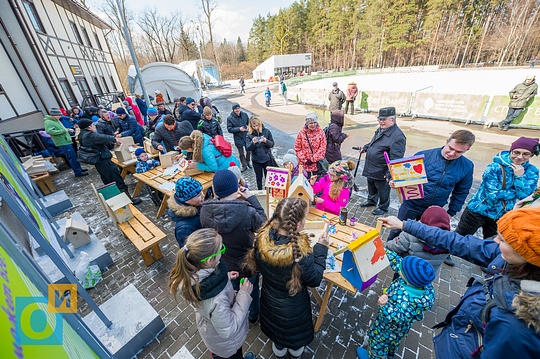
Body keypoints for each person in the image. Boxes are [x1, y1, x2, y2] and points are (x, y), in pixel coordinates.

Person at [378, 207, 540, 358]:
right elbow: (455, 241)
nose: (494, 241)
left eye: (503, 240)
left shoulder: (517, 324)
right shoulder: (510, 259)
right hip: (459, 340)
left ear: (525, 253)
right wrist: (404, 225)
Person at [244, 197, 329, 359]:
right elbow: (314, 279)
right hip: (295, 307)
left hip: (270, 299)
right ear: (297, 225)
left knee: (277, 330)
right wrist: (321, 249)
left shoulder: (262, 240)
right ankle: (295, 351)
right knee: (294, 336)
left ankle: (279, 348)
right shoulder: (300, 254)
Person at [386, 129, 475, 257]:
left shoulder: (467, 166)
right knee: (397, 229)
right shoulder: (424, 156)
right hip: (411, 204)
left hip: (434, 210)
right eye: (450, 148)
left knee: (426, 238)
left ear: (467, 149)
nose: (451, 153)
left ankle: (413, 257)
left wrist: (450, 213)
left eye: (458, 152)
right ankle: (389, 250)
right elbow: (403, 177)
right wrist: (396, 183)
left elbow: (461, 192)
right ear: (446, 141)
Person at [168, 229, 255, 359]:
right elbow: (228, 330)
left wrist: (225, 277)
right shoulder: (216, 299)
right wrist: (244, 294)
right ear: (209, 261)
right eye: (221, 249)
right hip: (227, 345)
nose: (223, 252)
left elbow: (209, 284)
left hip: (215, 335)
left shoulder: (195, 272)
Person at [200, 169, 267, 325]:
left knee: (231, 287)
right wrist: (252, 199)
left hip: (224, 262)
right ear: (236, 187)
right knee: (251, 288)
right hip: (248, 262)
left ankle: (235, 312)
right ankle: (253, 315)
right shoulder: (248, 211)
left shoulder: (204, 211)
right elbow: (264, 227)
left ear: (215, 190)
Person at [357, 251, 435, 359]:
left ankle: (372, 356)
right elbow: (398, 263)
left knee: (378, 343)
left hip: (388, 328)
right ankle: (388, 354)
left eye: (402, 269)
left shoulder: (408, 302)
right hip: (398, 330)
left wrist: (384, 306)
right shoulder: (418, 282)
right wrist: (383, 250)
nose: (399, 267)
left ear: (408, 279)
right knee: (391, 343)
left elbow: (397, 318)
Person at [456, 137, 539, 239]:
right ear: (511, 151)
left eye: (525, 154)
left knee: (492, 245)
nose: (519, 157)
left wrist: (519, 177)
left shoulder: (532, 171)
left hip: (502, 215)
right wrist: (515, 191)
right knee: (459, 237)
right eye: (516, 152)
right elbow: (492, 195)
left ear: (531, 155)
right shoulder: (494, 167)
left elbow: (526, 196)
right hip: (478, 210)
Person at [77, 119, 141, 204]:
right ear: (89, 127)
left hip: (99, 162)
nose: (94, 126)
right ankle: (128, 201)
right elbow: (104, 137)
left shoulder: (81, 134)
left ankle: (119, 200)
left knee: (108, 182)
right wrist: (114, 139)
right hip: (104, 161)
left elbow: (100, 143)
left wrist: (111, 145)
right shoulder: (89, 135)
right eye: (93, 125)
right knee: (117, 181)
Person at [360, 107, 406, 216]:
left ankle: (383, 207)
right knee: (371, 185)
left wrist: (390, 174)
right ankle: (371, 201)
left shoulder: (398, 136)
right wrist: (366, 147)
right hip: (371, 166)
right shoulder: (381, 129)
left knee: (383, 190)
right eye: (379, 119)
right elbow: (374, 142)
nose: (381, 122)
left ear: (393, 120)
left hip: (382, 169)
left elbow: (396, 158)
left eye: (384, 119)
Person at [386, 205, 451, 274]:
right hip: (426, 276)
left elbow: (395, 246)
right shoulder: (449, 242)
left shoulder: (410, 235)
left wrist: (386, 245)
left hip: (407, 271)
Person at [44, 108, 88, 177]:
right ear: (54, 115)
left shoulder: (56, 120)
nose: (60, 116)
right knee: (71, 157)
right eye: (59, 115)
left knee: (74, 156)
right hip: (62, 142)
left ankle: (79, 169)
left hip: (66, 140)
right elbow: (49, 131)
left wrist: (68, 129)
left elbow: (62, 129)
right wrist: (64, 131)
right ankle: (77, 172)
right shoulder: (48, 122)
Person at [167, 177, 204, 247]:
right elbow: (190, 252)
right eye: (199, 195)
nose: (203, 195)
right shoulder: (184, 229)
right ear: (187, 200)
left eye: (201, 192)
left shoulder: (195, 205)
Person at [294, 113, 327, 177]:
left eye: (315, 122)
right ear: (307, 123)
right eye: (311, 123)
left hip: (317, 165)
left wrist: (313, 159)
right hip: (304, 165)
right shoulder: (301, 133)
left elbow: (323, 147)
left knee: (317, 184)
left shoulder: (321, 132)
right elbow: (297, 148)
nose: (313, 125)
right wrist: (305, 160)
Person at [245, 116, 275, 190]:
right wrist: (253, 143)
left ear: (260, 124)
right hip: (256, 160)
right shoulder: (249, 135)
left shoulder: (266, 131)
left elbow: (272, 144)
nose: (256, 127)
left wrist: (266, 141)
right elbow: (248, 148)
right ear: (251, 127)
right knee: (259, 177)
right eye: (254, 126)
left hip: (267, 158)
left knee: (268, 177)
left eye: (257, 125)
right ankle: (260, 191)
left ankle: (267, 191)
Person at [227, 103, 251, 172]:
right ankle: (244, 165)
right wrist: (239, 129)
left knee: (248, 150)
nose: (237, 110)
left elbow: (249, 123)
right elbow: (229, 129)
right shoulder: (230, 118)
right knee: (241, 153)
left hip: (246, 136)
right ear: (233, 110)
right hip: (238, 137)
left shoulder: (244, 115)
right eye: (235, 109)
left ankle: (248, 161)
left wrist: (248, 127)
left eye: (238, 108)